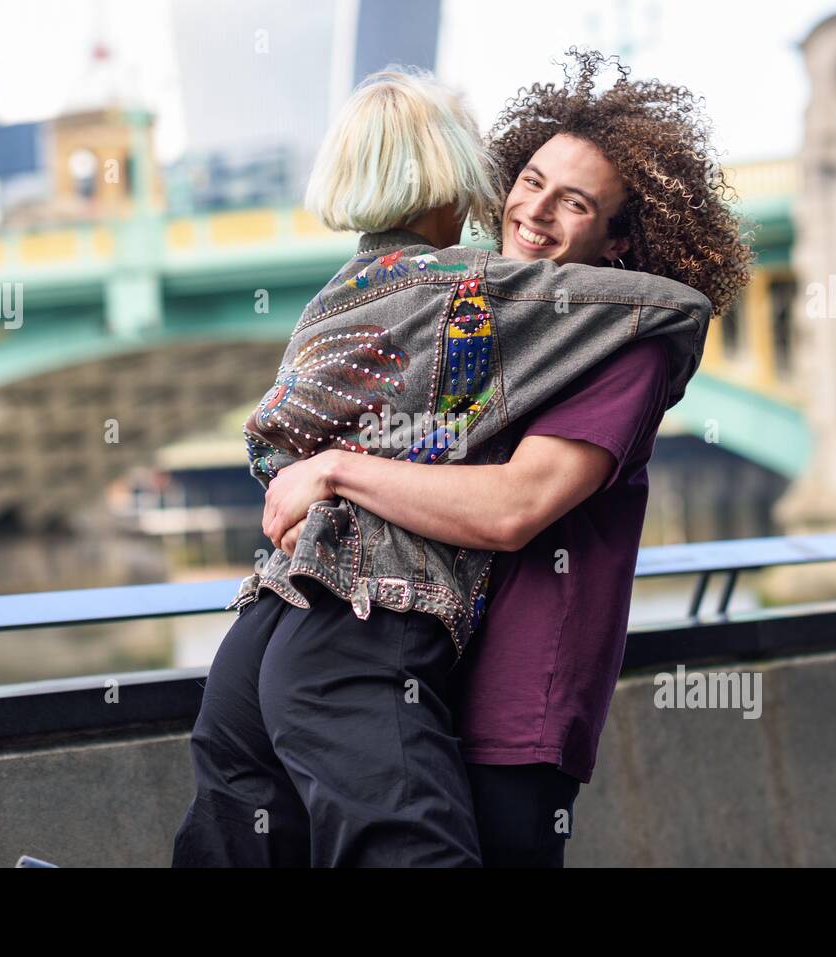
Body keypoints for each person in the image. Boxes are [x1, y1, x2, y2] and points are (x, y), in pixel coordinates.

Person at [172, 62, 720, 868]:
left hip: (511, 699)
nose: (534, 209)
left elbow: (512, 507)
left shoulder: (612, 351)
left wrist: (333, 468)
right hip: (400, 651)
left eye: (575, 201)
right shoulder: (474, 321)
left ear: (621, 240)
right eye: (528, 180)